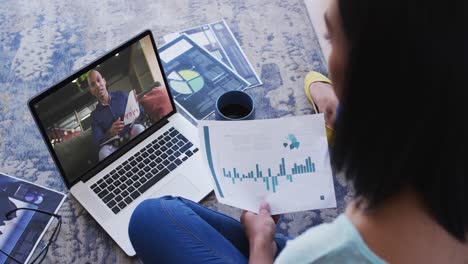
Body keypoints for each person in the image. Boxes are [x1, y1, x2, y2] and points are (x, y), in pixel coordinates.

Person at [128, 0, 468, 262]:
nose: (328, 56)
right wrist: (331, 96)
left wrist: (262, 247)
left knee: (149, 218)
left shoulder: (319, 253)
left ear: (369, 75)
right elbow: (313, 79)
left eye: (331, 39)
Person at [88, 70, 145, 160]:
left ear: (104, 81)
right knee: (103, 154)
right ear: (91, 91)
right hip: (114, 148)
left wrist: (137, 106)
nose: (98, 85)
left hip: (132, 134)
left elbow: (141, 113)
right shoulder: (94, 116)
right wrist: (110, 133)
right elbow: (97, 141)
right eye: (93, 84)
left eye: (99, 80)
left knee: (139, 129)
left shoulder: (121, 95)